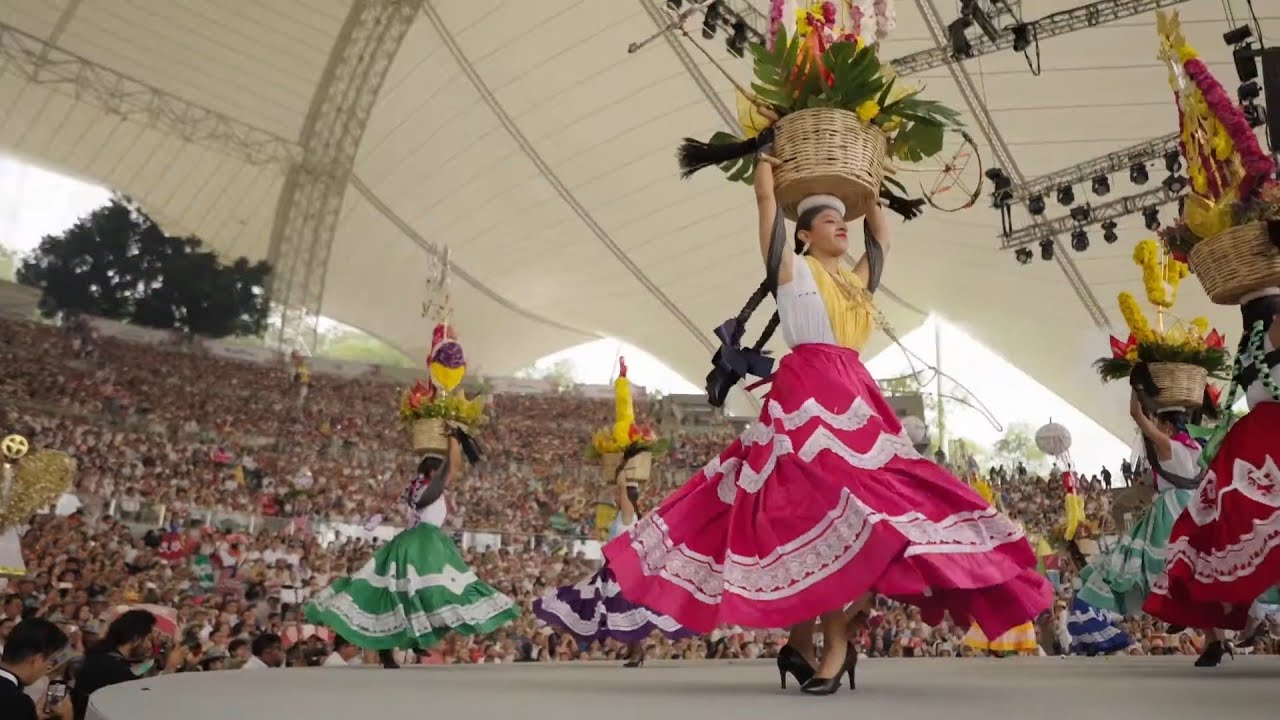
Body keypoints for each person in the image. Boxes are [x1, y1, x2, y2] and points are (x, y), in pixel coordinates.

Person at [603, 154, 1051, 695]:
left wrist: (870, 192)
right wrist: (764, 169)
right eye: (827, 221)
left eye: (845, 220)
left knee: (873, 514)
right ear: (807, 236)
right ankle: (831, 644)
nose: (842, 227)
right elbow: (768, 213)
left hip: (854, 396)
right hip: (806, 393)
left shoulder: (856, 285)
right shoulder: (793, 273)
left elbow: (882, 239)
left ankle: (805, 642)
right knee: (814, 511)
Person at [1144, 288, 1280, 665]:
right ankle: (1221, 635)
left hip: (1253, 442)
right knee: (1223, 530)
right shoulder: (1262, 340)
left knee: (1207, 534)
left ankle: (1217, 636)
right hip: (1260, 441)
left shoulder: (1252, 345)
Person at [305, 431, 517, 666]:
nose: (447, 477)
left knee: (400, 594)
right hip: (424, 544)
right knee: (440, 590)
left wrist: (454, 441)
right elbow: (454, 466)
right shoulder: (429, 488)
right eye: (441, 473)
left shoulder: (418, 486)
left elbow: (451, 467)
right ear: (433, 473)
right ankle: (411, 638)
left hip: (414, 542)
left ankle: (401, 642)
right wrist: (454, 438)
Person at [533, 419, 694, 667]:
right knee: (620, 610)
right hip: (614, 570)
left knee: (625, 610)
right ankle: (633, 651)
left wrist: (624, 462)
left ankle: (637, 652)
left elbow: (622, 486)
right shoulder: (630, 516)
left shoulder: (628, 514)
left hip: (621, 574)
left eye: (618, 495)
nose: (614, 497)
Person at [1069, 392, 1202, 655]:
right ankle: (1185, 612)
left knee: (1144, 566)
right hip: (1195, 507)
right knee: (1188, 564)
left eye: (1159, 424)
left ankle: (1175, 610)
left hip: (1171, 509)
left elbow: (1136, 415)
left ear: (1166, 426)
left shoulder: (1168, 446)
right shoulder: (1196, 448)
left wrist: (1136, 387)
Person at [72, 610, 183, 720]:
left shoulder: (102, 656)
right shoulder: (109, 667)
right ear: (135, 639)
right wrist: (170, 667)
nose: (149, 645)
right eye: (148, 639)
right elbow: (145, 699)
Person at [0, 619, 70, 720]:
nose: (48, 669)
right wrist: (67, 716)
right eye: (50, 661)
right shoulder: (19, 704)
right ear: (37, 660)